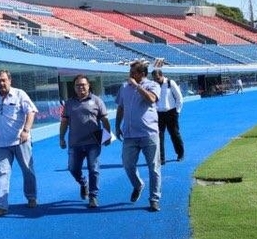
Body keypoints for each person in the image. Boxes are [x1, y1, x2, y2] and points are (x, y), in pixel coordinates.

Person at [0, 70, 38, 217]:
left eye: (4, 80)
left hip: (20, 140)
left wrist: (26, 130)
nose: (1, 83)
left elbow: (31, 112)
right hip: (2, 143)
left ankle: (31, 197)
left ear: (10, 80)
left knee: (27, 170)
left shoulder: (19, 94)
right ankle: (1, 206)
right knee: (1, 173)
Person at [115, 60, 162, 212]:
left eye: (133, 72)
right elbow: (120, 107)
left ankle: (154, 199)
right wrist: (117, 125)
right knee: (127, 164)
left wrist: (136, 86)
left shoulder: (152, 85)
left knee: (154, 167)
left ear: (142, 74)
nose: (130, 75)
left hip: (149, 133)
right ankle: (138, 185)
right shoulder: (124, 87)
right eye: (130, 72)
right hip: (129, 134)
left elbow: (152, 99)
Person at [59, 74, 112, 208]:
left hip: (93, 142)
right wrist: (61, 138)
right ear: (74, 87)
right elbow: (64, 122)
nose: (81, 87)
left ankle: (93, 196)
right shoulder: (69, 103)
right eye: (78, 85)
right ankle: (83, 183)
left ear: (89, 86)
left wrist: (107, 136)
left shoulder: (97, 101)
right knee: (72, 168)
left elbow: (104, 120)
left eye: (83, 84)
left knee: (93, 168)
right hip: (75, 143)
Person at [151, 69, 184, 165]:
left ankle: (180, 154)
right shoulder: (153, 85)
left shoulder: (170, 83)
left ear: (162, 76)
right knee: (159, 137)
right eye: (154, 79)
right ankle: (161, 158)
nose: (156, 80)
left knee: (174, 134)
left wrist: (177, 111)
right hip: (159, 114)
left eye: (157, 78)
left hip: (171, 112)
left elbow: (179, 98)